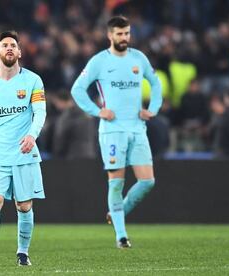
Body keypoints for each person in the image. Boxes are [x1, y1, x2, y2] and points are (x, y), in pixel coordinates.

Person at [71, 16, 162, 248]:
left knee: (148, 181)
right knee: (116, 182)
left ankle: (117, 212)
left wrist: (152, 109)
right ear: (110, 35)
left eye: (127, 33)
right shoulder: (99, 61)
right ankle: (121, 236)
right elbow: (77, 89)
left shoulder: (138, 58)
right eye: (120, 34)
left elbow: (156, 83)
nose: (124, 38)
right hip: (113, 131)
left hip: (137, 128)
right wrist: (97, 110)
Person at [0, 31, 46, 266]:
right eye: (4, 45)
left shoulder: (33, 80)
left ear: (20, 52)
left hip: (24, 154)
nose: (9, 48)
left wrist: (32, 136)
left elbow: (40, 112)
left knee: (23, 206)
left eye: (13, 45)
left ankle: (22, 253)